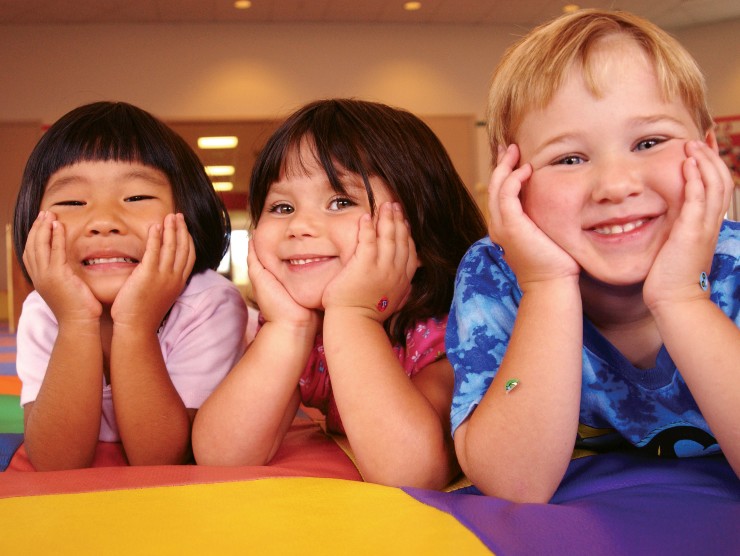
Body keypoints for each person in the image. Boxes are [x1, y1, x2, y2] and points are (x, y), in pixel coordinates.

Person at [447, 9, 740, 503]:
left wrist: (680, 296)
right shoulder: (496, 272)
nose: (616, 185)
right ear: (512, 181)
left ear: (708, 153)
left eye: (649, 142)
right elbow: (515, 484)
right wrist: (547, 286)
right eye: (569, 158)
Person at [193, 99, 486, 489]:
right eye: (281, 207)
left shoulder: (453, 330)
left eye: (340, 201)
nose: (299, 226)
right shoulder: (305, 328)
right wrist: (287, 327)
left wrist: (355, 315)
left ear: (419, 223)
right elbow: (222, 457)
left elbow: (412, 472)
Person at [13, 101, 248, 470]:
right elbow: (55, 465)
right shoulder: (44, 310)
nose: (104, 221)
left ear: (187, 212)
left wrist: (136, 324)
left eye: (136, 197)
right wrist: (75, 322)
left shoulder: (209, 303)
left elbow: (161, 459)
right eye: (73, 201)